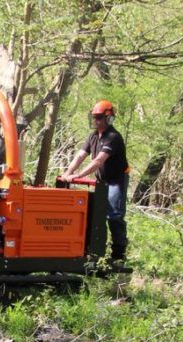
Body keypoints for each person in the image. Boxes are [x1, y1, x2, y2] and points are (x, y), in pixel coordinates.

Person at [61, 100, 130, 263]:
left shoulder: (113, 137)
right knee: (95, 215)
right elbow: (80, 156)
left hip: (116, 181)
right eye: (94, 117)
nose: (95, 121)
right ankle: (95, 253)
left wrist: (78, 176)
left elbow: (98, 161)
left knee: (114, 216)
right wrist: (68, 173)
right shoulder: (93, 136)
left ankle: (118, 256)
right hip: (102, 181)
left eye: (99, 117)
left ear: (109, 118)